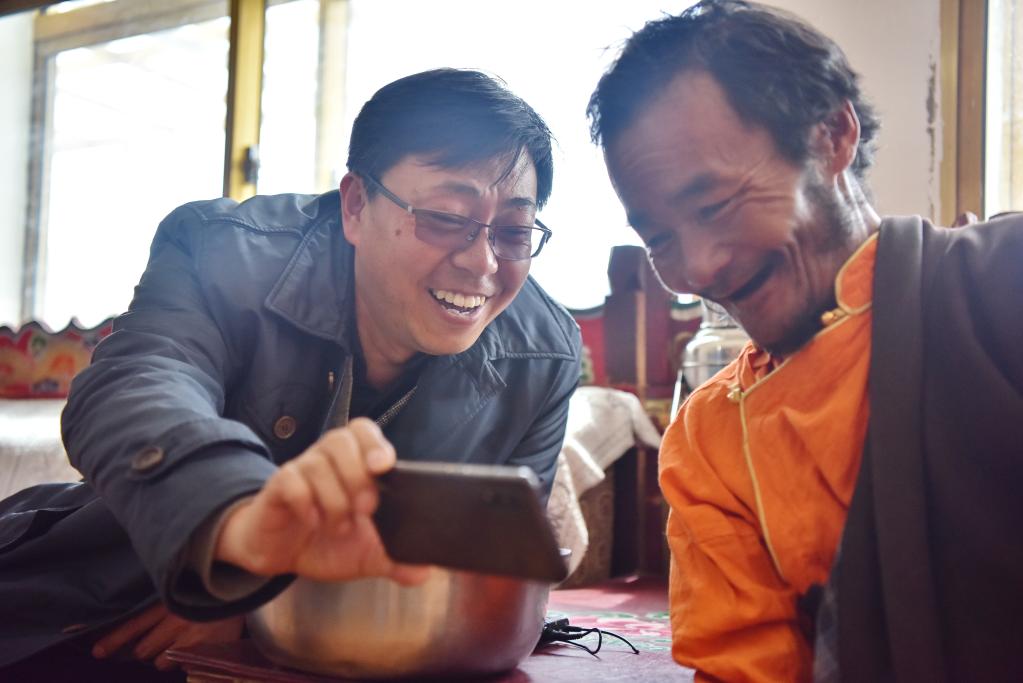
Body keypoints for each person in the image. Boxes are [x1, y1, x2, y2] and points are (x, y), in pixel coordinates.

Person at [0, 68, 581, 679]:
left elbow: (497, 561)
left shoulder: (544, 358)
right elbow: (136, 388)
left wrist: (253, 605)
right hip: (99, 605)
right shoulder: (224, 252)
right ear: (355, 205)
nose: (482, 262)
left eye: (514, 231)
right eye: (444, 216)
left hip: (360, 649)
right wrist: (237, 529)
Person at [587, 1, 1023, 681]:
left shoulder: (999, 285)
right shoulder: (711, 440)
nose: (697, 269)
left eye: (714, 204)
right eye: (660, 238)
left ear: (833, 137)